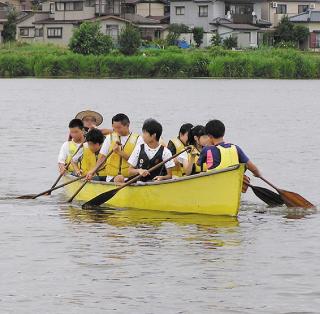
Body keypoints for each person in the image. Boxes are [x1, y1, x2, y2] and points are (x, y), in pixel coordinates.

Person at [85, 113, 142, 182]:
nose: (116, 130)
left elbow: (136, 162)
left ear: (127, 125)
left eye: (119, 127)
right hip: (111, 178)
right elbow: (102, 157)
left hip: (130, 179)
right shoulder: (110, 138)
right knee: (119, 178)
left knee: (120, 178)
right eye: (114, 127)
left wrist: (120, 152)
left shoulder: (138, 139)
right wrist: (92, 171)